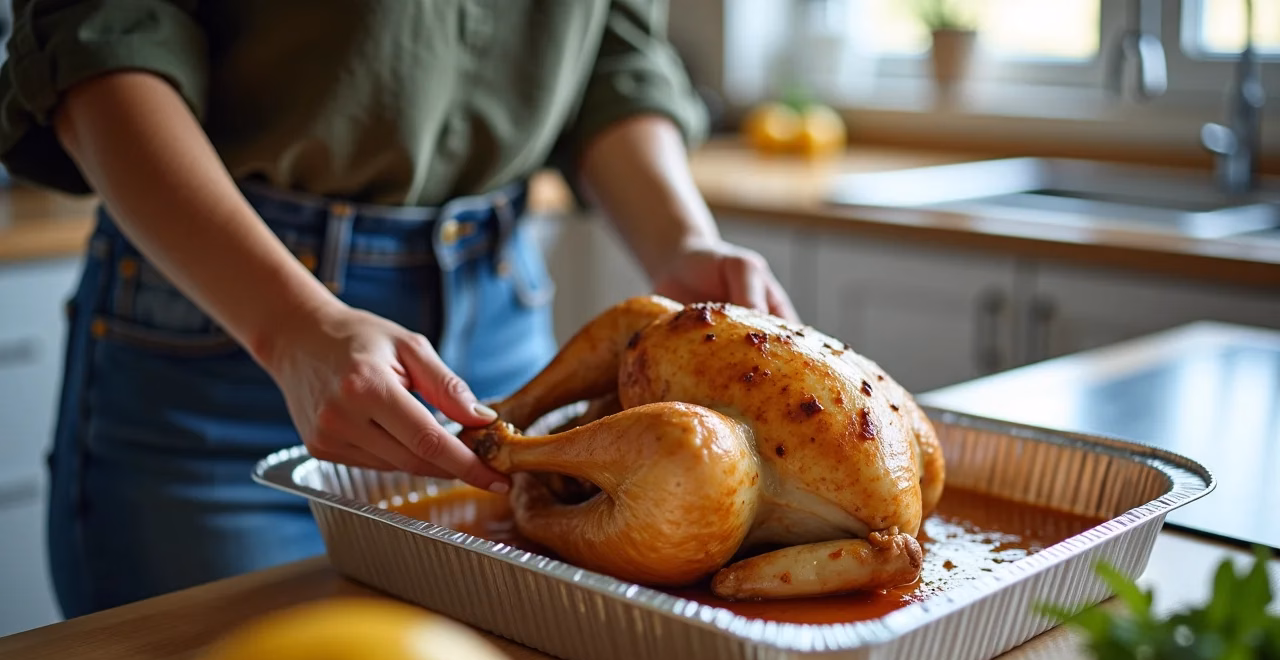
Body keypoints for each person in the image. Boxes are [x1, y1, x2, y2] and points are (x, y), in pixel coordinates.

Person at [0, 1, 799, 619]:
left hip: (504, 319)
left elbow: (611, 55)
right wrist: (289, 326)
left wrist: (680, 240)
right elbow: (99, 42)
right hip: (229, 325)